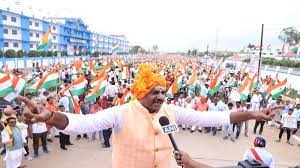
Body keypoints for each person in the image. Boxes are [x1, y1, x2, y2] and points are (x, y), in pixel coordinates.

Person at [18, 64, 278, 168]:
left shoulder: (170, 112)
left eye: (163, 92)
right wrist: (51, 116)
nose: (161, 97)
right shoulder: (121, 113)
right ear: (140, 92)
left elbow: (215, 119)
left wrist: (253, 113)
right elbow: (81, 123)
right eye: (154, 92)